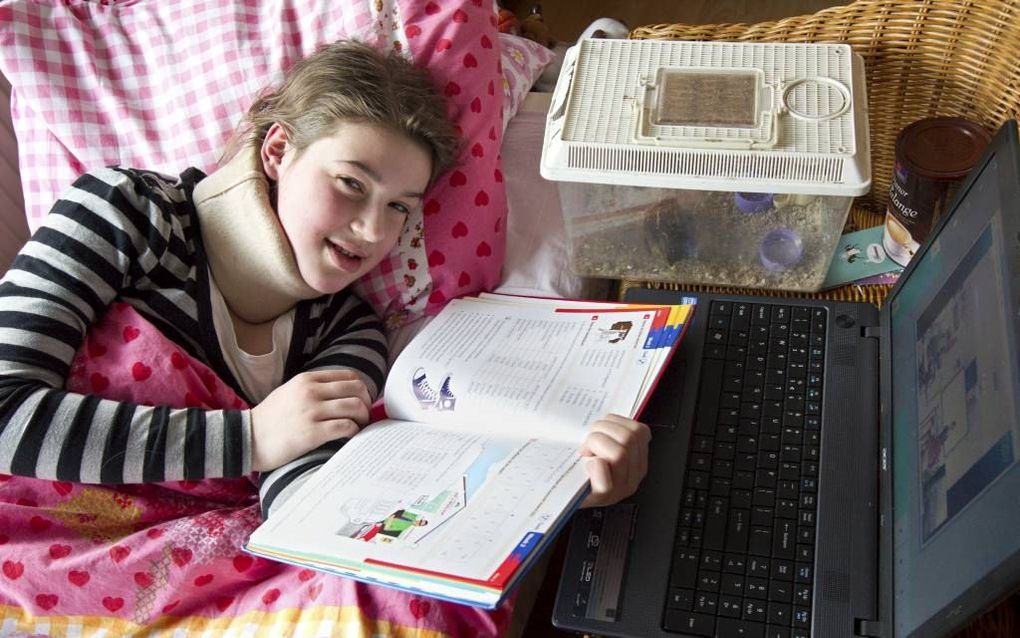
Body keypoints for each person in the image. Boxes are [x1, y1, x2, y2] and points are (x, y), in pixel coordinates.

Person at [0, 40, 648, 520]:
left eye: (399, 206)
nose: (371, 231)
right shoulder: (125, 211)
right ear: (278, 151)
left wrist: (552, 491)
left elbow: (310, 509)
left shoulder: (346, 329)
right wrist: (249, 438)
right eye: (350, 183)